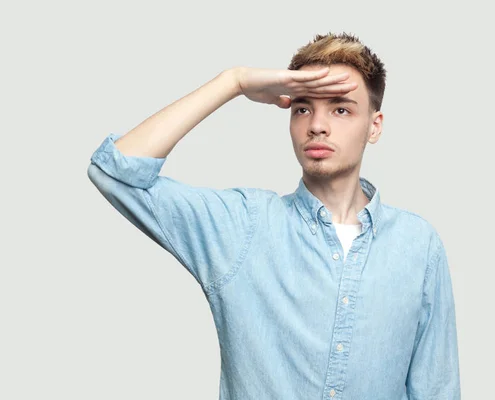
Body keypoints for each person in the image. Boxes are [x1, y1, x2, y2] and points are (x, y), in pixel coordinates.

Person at [87, 32, 461, 399]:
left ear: (374, 126)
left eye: (341, 109)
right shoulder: (242, 226)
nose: (317, 125)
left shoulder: (418, 245)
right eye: (303, 108)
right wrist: (232, 82)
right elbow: (115, 172)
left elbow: (436, 390)